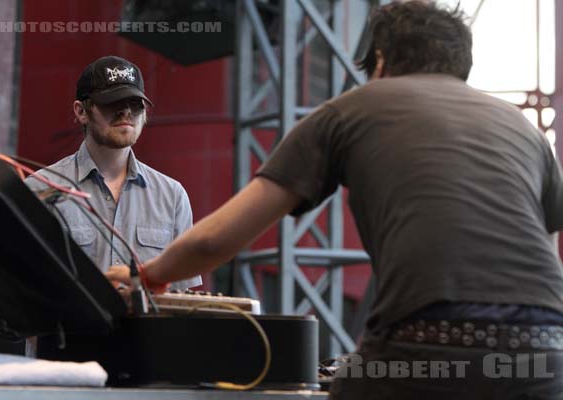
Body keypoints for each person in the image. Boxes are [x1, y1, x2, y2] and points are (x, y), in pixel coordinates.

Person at [107, 2, 563, 398]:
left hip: (428, 341)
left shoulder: (352, 109)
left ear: (380, 59)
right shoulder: (524, 129)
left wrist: (145, 276)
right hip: (548, 353)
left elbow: (218, 241)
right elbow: (544, 245)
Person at [26, 55, 201, 291]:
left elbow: (183, 296)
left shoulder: (172, 196)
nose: (126, 112)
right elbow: (24, 291)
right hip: (70, 328)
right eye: (113, 102)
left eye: (136, 104)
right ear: (81, 111)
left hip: (150, 329)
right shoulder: (39, 189)